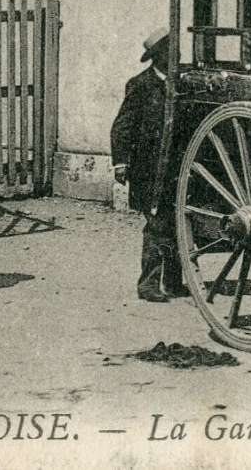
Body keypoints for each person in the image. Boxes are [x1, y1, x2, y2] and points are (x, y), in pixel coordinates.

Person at [110, 30, 184, 302]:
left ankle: (174, 282)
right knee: (157, 224)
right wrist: (121, 163)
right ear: (158, 56)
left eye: (176, 49)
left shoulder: (182, 84)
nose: (177, 54)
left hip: (175, 168)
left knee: (176, 224)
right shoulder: (141, 84)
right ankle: (148, 284)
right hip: (148, 168)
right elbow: (122, 126)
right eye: (170, 50)